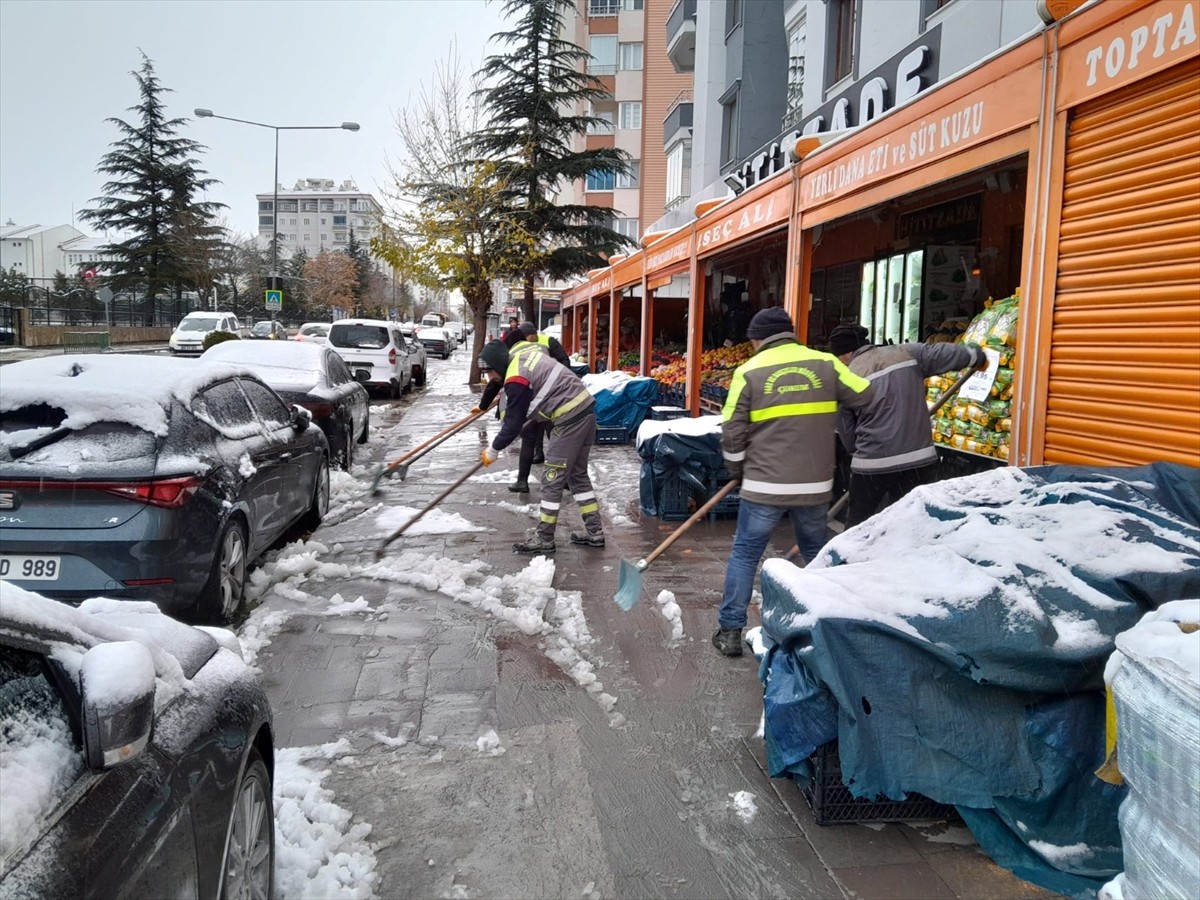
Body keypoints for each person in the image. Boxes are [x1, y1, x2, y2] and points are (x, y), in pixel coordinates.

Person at [713, 308, 874, 657]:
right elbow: (865, 395)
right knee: (816, 552)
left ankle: (730, 632)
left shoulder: (748, 371)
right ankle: (825, 625)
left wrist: (736, 469)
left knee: (745, 554)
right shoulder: (826, 364)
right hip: (814, 484)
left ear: (759, 338)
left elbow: (732, 429)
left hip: (763, 484)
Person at [830, 323, 987, 528]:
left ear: (845, 354)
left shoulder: (848, 377)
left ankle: (853, 560)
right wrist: (974, 356)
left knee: (858, 526)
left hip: (872, 463)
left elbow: (848, 434)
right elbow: (943, 352)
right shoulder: (907, 352)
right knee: (912, 525)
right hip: (918, 459)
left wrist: (857, 450)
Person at [477, 339, 605, 554]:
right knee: (577, 476)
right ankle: (595, 532)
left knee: (552, 479)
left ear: (498, 365)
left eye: (489, 371)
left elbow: (513, 423)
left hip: (569, 418)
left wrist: (494, 449)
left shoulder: (516, 377)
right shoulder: (521, 357)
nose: (489, 377)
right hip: (584, 410)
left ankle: (545, 538)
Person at [474, 322, 572, 493]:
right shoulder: (534, 347)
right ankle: (555, 479)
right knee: (543, 438)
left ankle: (534, 481)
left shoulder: (514, 352)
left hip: (545, 398)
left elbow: (502, 378)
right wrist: (483, 405)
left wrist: (494, 448)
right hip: (542, 396)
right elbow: (498, 378)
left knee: (543, 438)